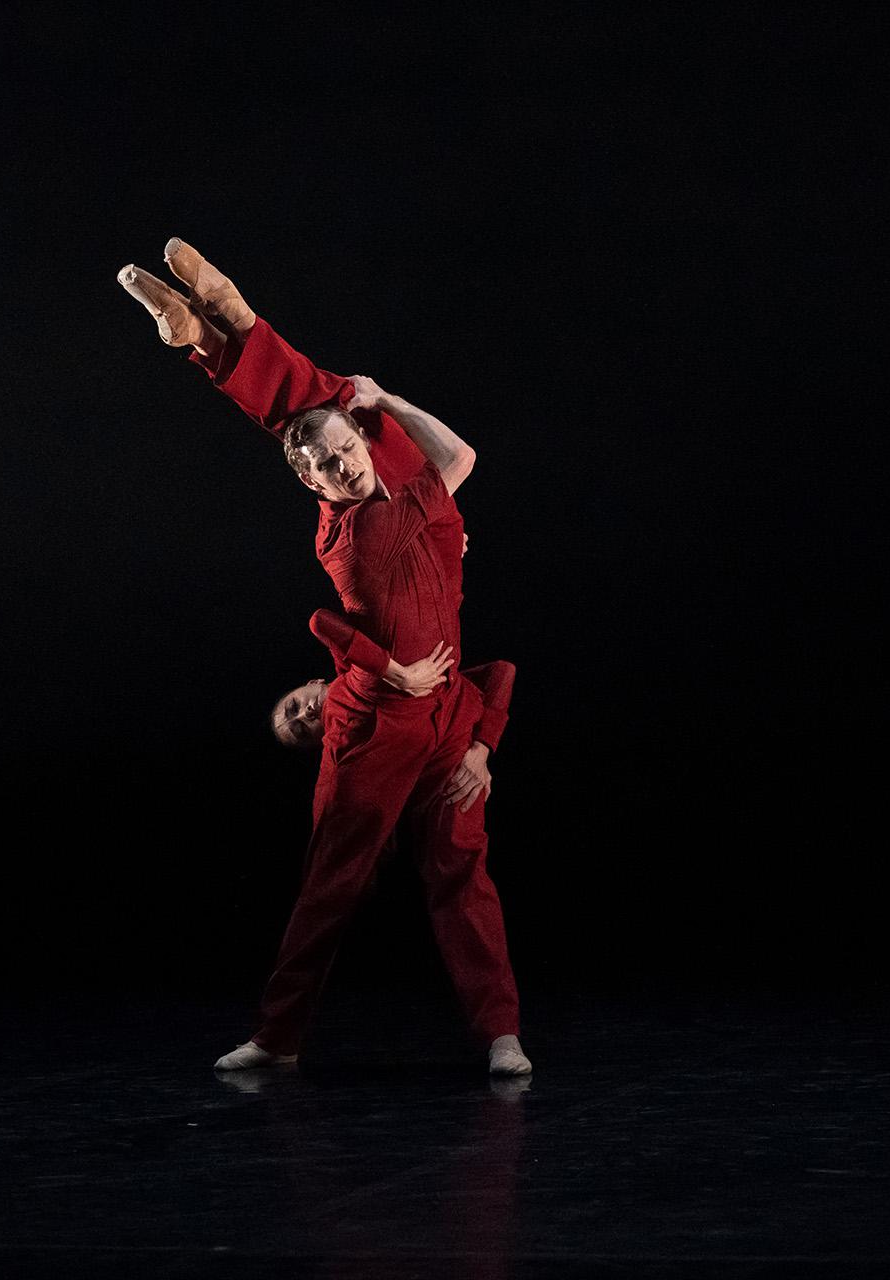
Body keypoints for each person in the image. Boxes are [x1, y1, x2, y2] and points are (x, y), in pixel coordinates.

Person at [118, 241, 531, 1075]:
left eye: (295, 708)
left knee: (462, 877)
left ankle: (215, 333)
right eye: (302, 723)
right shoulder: (356, 529)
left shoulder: (388, 493)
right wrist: (371, 400)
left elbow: (400, 453)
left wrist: (481, 743)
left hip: (440, 708)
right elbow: (439, 461)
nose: (339, 469)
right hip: (388, 722)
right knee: (334, 885)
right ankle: (278, 1037)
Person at [272, 609, 514, 820]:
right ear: (320, 741)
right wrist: (478, 751)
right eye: (302, 730)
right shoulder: (368, 756)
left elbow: (321, 621)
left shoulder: (351, 664)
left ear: (313, 682)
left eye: (294, 706)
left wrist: (400, 676)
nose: (306, 713)